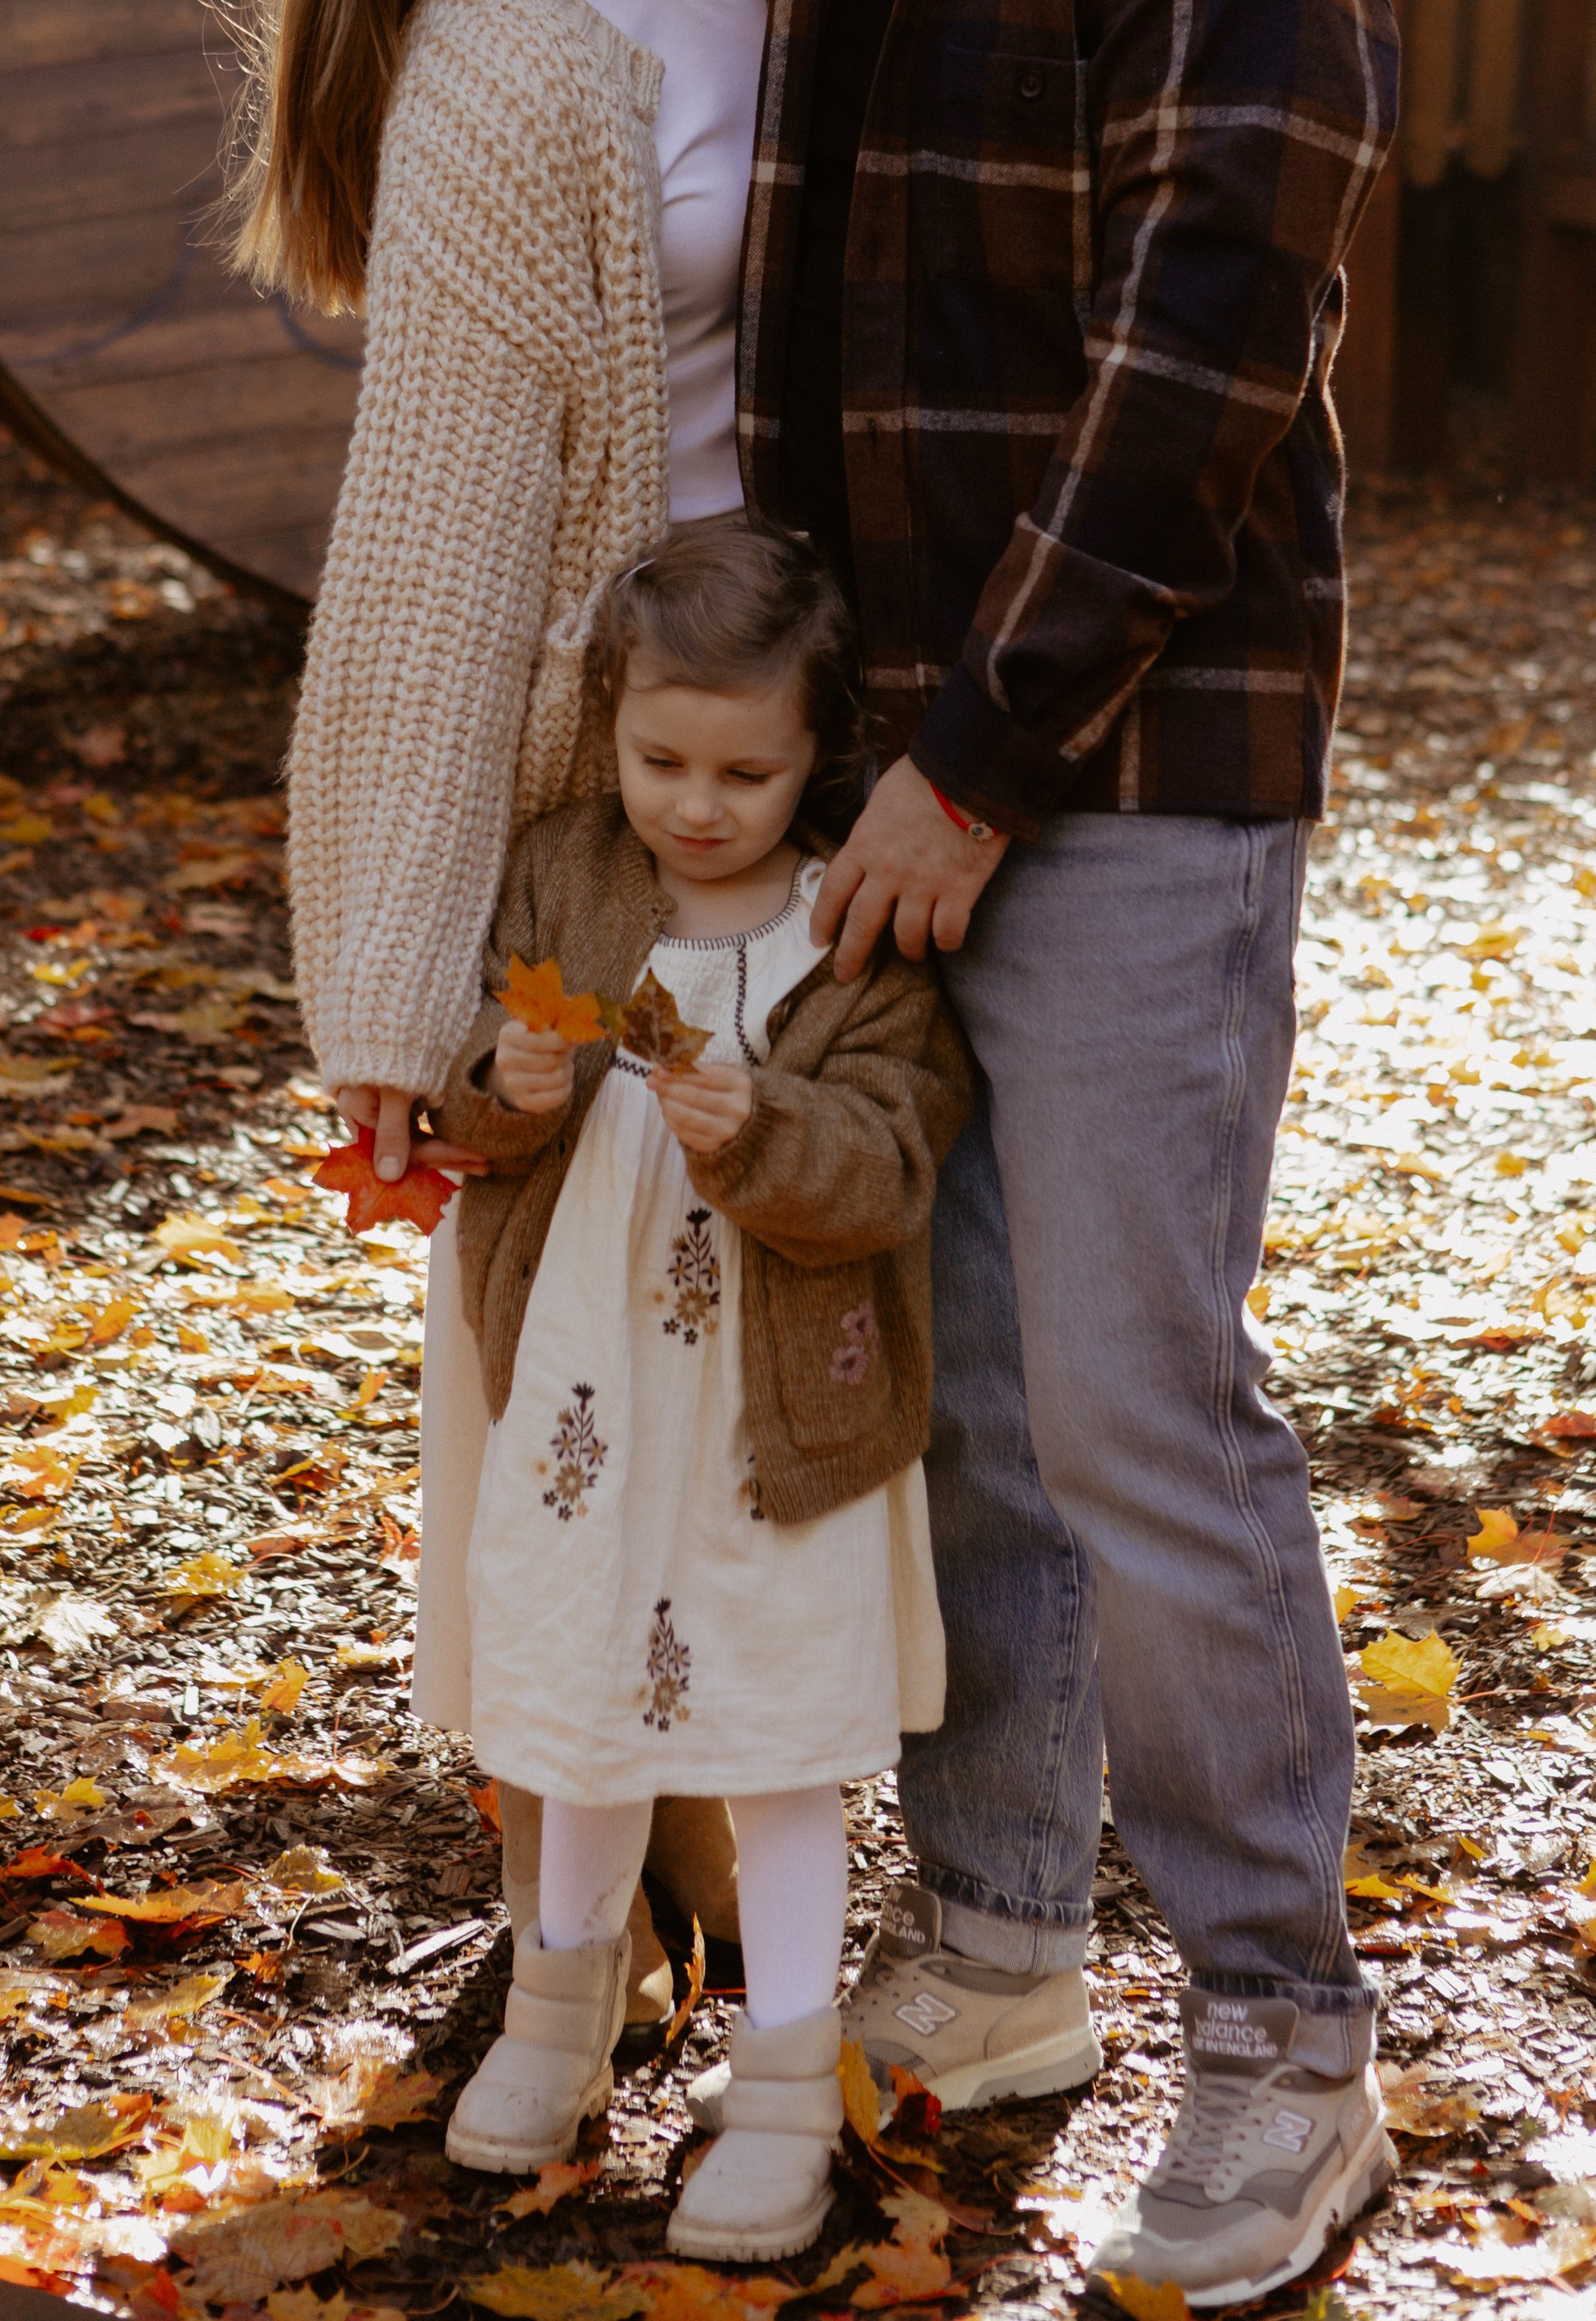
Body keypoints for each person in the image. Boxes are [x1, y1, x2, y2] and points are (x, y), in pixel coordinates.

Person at [688, 0, 1403, 2310]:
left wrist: (974, 761)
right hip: (893, 788)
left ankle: (1287, 2043)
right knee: (953, 1370)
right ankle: (1000, 1953)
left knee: (1131, 1392)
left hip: (1123, 784)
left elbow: (1199, 379)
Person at [226, 0, 785, 2002]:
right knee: (581, 1359)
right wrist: (397, 983)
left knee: (806, 1324)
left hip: (833, 735)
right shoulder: (490, 71)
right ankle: (586, 1897)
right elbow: (440, 542)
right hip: (616, 790)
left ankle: (742, 1870)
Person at [429, 515, 969, 2261]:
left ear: (821, 758)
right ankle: (561, 2004)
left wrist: (770, 1129)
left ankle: (792, 2072)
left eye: (749, 770)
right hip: (590, 1407)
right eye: (662, 760)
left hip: (773, 1426)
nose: (700, 805)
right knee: (586, 1696)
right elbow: (475, 1120)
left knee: (774, 1731)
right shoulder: (566, 877)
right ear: (612, 729)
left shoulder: (853, 930)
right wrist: (503, 1083)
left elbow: (894, 1159)